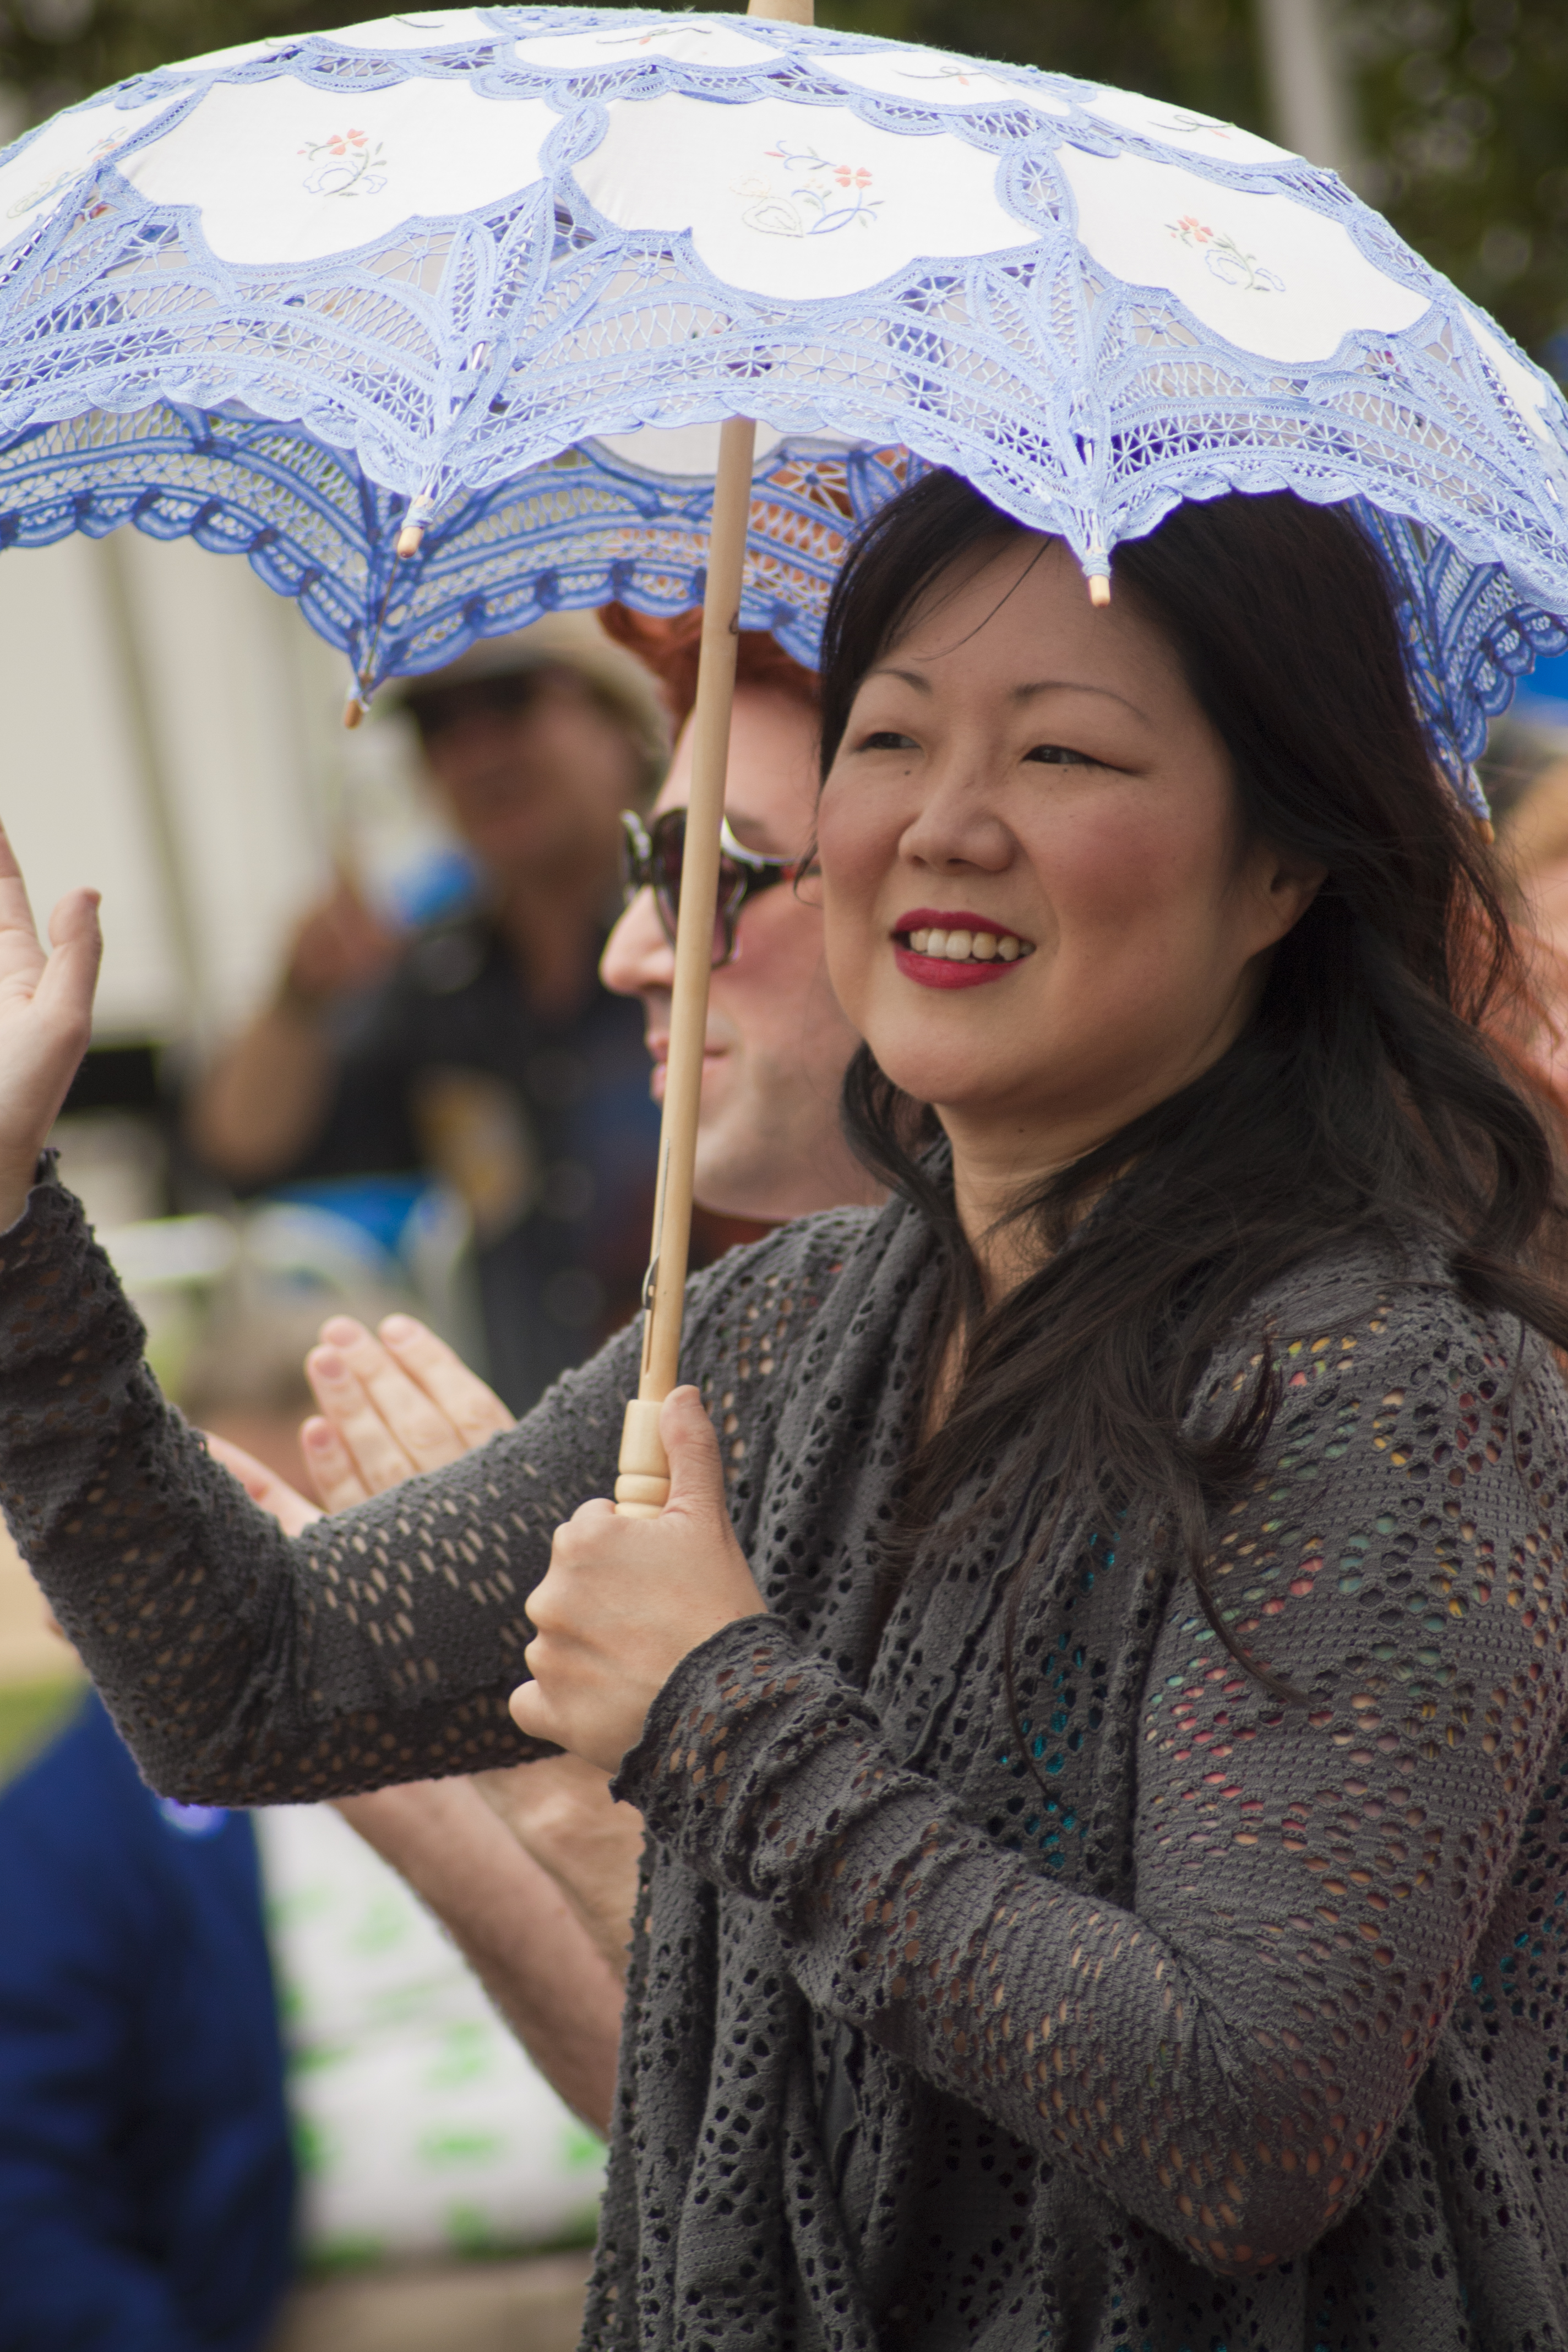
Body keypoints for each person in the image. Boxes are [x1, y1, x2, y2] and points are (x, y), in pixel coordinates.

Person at [3, 470, 1567, 2349]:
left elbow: (1245, 2124)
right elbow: (241, 1680)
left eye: (1062, 753)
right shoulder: (775, 1327)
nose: (940, 824)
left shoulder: (1382, 1385)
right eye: (888, 737)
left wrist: (717, 1708)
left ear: (1278, 865)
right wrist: (18, 1237)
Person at [187, 616, 669, 1413]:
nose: (477, 755)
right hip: (558, 1454)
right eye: (438, 727)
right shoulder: (439, 977)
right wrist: (299, 997)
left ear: (622, 728)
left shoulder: (722, 937)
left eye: (512, 703)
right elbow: (239, 1152)